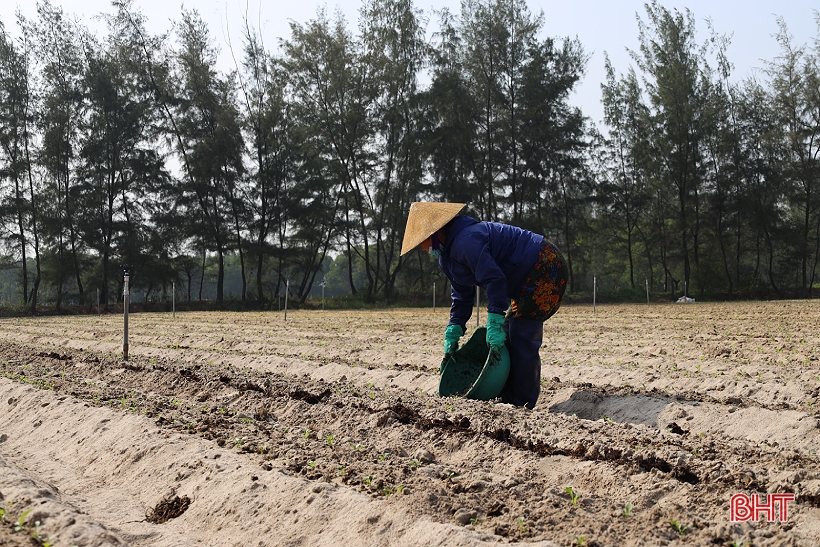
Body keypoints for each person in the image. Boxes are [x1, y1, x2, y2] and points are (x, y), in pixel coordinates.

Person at [400, 202, 568, 409]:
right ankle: (510, 399)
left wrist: (494, 319)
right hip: (525, 278)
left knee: (521, 335)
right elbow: (461, 295)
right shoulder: (447, 258)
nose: (424, 248)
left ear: (436, 232)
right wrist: (454, 328)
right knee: (509, 336)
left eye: (423, 242)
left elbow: (494, 279)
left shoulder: (466, 240)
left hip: (544, 267)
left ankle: (522, 404)